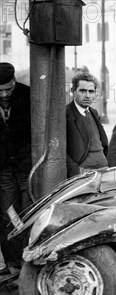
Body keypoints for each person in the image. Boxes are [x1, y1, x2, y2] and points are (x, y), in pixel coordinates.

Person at [0, 62, 31, 273]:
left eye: (8, 89)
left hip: (26, 166)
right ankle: (12, 264)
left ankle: (29, 260)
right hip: (4, 168)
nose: (4, 94)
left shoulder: (28, 95)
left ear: (14, 82)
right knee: (8, 213)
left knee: (30, 212)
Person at [65, 71, 108, 177]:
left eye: (91, 91)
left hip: (103, 171)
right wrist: (76, 171)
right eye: (83, 91)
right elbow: (59, 151)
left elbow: (103, 142)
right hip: (83, 174)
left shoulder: (93, 112)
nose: (87, 96)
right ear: (73, 91)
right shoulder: (65, 114)